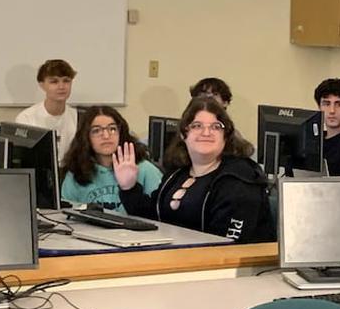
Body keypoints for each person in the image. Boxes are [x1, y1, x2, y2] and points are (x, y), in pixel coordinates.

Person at [116, 97, 274, 243]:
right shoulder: (178, 173)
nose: (206, 133)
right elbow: (154, 218)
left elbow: (228, 245)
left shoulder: (239, 180)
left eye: (216, 127)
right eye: (197, 126)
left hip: (229, 268)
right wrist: (129, 187)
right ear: (184, 134)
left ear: (226, 136)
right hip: (179, 259)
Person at [61, 106, 163, 213]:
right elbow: (66, 215)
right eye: (96, 131)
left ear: (121, 133)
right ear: (86, 137)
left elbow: (160, 214)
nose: (106, 136)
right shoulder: (77, 172)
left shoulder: (145, 169)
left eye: (112, 129)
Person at [16, 59, 78, 163]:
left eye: (66, 81)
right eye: (54, 82)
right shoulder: (26, 118)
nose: (61, 87)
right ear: (42, 85)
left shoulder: (78, 117)